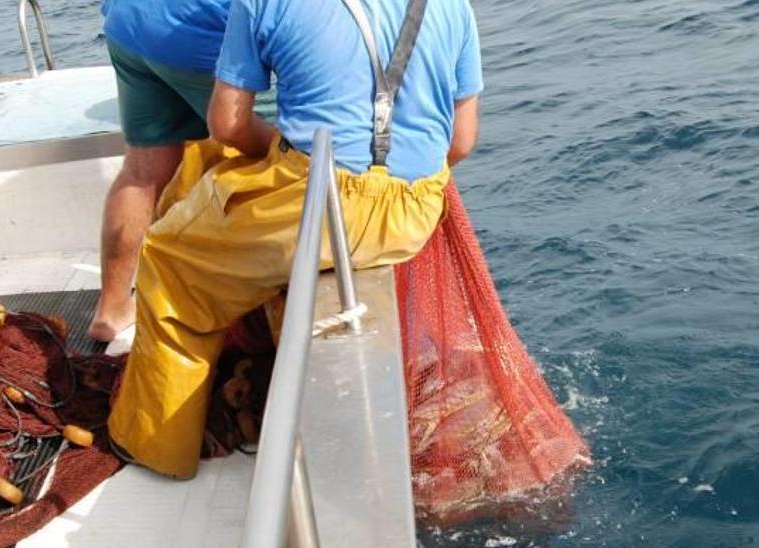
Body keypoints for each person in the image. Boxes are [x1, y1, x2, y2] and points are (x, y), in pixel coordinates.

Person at [107, 0, 483, 478]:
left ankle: (154, 446)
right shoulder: (453, 6)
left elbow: (227, 125)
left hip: (317, 202)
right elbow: (462, 140)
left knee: (170, 261)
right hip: (415, 209)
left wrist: (288, 159)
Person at [89, 0, 234, 342]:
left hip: (130, 22)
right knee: (266, 164)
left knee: (141, 172)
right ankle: (251, 313)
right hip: (200, 32)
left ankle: (112, 309)